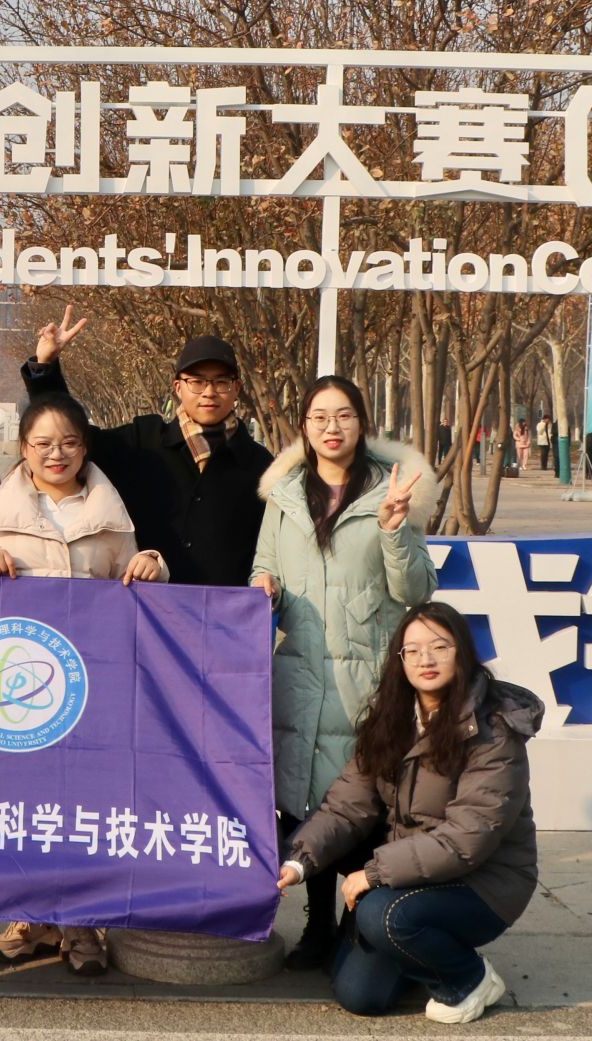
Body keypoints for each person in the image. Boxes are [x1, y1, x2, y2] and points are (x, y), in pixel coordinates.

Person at [0, 391, 165, 974]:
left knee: (82, 805)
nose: (56, 453)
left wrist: (153, 563)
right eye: (42, 443)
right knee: (21, 803)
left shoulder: (111, 514)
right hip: (17, 691)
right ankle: (29, 915)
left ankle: (81, 922)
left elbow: (136, 587)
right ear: (23, 449)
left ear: (84, 447)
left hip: (89, 684)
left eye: (68, 442)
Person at [278, 601, 542, 1024]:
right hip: (415, 872)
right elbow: (346, 806)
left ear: (462, 652)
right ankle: (415, 942)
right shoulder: (391, 717)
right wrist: (296, 861)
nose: (426, 660)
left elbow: (467, 838)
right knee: (359, 994)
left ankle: (468, 979)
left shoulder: (493, 730)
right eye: (413, 650)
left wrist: (375, 875)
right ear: (399, 660)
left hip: (483, 883)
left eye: (439, 647)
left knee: (381, 916)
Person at [252, 376, 439, 972]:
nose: (331, 428)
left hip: (366, 679)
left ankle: (360, 919)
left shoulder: (392, 490)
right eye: (319, 417)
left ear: (362, 422)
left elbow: (417, 590)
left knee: (362, 803)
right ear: (304, 427)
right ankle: (316, 923)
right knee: (305, 802)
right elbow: (263, 565)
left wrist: (393, 530)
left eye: (344, 415)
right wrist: (264, 585)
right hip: (299, 674)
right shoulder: (284, 496)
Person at [21, 305, 272, 587]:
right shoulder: (144, 441)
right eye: (197, 382)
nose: (209, 392)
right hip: (144, 604)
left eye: (221, 382)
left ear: (237, 389)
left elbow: (272, 547)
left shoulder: (260, 465)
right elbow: (74, 436)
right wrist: (45, 370)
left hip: (222, 608)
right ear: (178, 388)